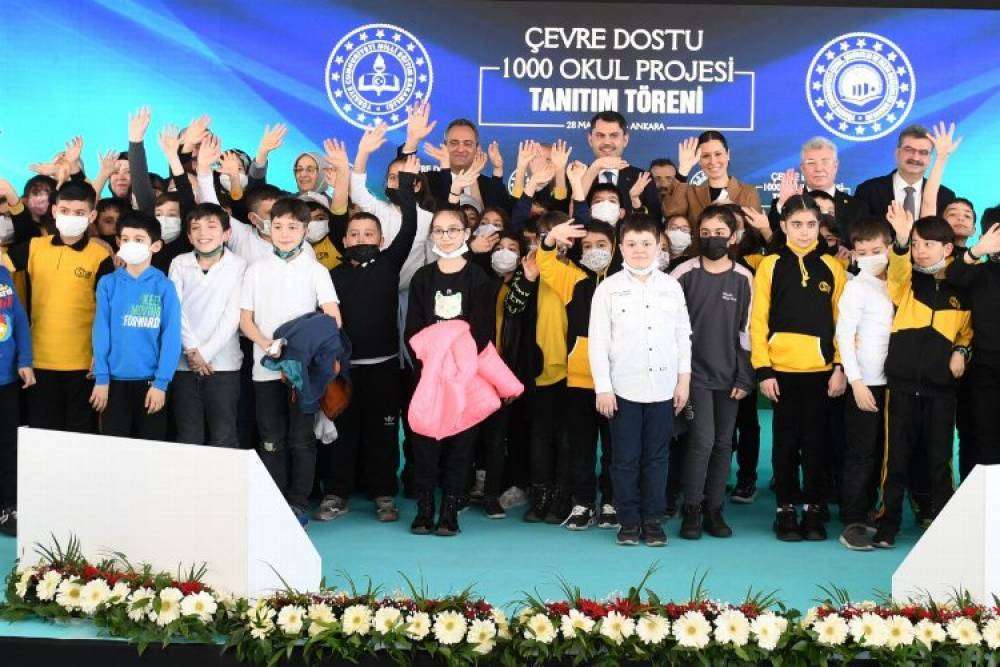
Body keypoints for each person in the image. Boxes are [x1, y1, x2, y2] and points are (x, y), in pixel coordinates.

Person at [314, 142, 420, 523]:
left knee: (384, 433)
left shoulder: (390, 264)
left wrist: (404, 185)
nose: (361, 239)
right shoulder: (331, 275)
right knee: (342, 431)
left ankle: (384, 493)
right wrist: (342, 174)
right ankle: (336, 492)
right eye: (354, 234)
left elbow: (410, 225)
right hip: (344, 369)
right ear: (343, 241)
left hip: (384, 369)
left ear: (382, 241)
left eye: (369, 234)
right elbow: (339, 216)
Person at [589, 214, 692, 547]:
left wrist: (683, 382)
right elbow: (598, 342)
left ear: (658, 246)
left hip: (663, 389)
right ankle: (629, 521)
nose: (639, 250)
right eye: (631, 244)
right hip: (623, 390)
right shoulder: (608, 289)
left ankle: (653, 520)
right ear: (621, 247)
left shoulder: (671, 287)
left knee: (657, 458)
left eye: (646, 243)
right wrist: (603, 388)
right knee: (624, 459)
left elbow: (683, 337)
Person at [239, 197, 341, 525]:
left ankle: (298, 503)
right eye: (278, 226)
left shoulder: (316, 271)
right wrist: (267, 345)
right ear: (268, 228)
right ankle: (275, 503)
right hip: (264, 368)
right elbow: (245, 321)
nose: (284, 233)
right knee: (271, 439)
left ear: (305, 230)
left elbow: (333, 319)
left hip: (303, 373)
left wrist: (306, 353)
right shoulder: (255, 270)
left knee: (301, 439)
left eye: (293, 227)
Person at [750, 195, 847, 542]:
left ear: (819, 226)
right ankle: (786, 509)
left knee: (817, 443)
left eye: (810, 225)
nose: (804, 232)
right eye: (796, 225)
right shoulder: (771, 264)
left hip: (821, 371)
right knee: (786, 444)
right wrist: (763, 368)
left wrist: (840, 366)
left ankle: (814, 508)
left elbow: (843, 323)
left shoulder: (833, 267)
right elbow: (758, 320)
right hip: (781, 371)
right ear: (783, 226)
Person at [874, 210, 971, 549]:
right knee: (895, 461)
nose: (921, 251)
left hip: (941, 390)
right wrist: (901, 242)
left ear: (947, 248)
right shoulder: (906, 280)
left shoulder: (962, 288)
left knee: (940, 461)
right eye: (916, 244)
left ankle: (945, 528)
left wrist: (961, 350)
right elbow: (898, 267)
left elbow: (968, 332)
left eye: (928, 244)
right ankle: (887, 524)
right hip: (901, 387)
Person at [404, 205, 495, 536]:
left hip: (464, 376)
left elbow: (482, 332)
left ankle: (450, 511)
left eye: (453, 230)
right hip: (429, 375)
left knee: (461, 444)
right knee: (425, 444)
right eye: (439, 231)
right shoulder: (423, 277)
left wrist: (456, 365)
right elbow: (413, 329)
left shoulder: (478, 278)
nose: (446, 237)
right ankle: (425, 508)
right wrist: (432, 363)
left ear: (466, 234)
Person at [670, 205, 753, 540]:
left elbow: (748, 331)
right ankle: (691, 508)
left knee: (722, 443)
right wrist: (680, 375)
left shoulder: (744, 277)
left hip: (729, 378)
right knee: (701, 441)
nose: (712, 238)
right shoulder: (683, 273)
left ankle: (714, 509)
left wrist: (745, 376)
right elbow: (669, 327)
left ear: (732, 237)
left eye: (719, 233)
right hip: (693, 377)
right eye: (705, 233)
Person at [537, 211, 619, 531]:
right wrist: (550, 240)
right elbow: (545, 264)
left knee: (614, 447)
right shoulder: (572, 280)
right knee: (581, 445)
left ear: (615, 247)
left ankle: (611, 502)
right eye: (587, 246)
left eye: (602, 244)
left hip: (617, 380)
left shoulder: (625, 282)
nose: (594, 250)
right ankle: (583, 502)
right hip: (580, 379)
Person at [8, 181, 111, 433]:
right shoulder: (34, 247)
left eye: (79, 212)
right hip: (39, 361)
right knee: (42, 434)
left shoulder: (100, 256)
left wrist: (102, 358)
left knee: (79, 437)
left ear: (92, 216)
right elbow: (4, 263)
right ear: (54, 211)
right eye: (64, 210)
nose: (71, 217)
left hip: (84, 364)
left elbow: (108, 312)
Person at [90, 211, 182, 439]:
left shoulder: (164, 286)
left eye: (139, 240)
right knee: (115, 448)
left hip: (151, 383)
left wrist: (161, 383)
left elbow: (171, 337)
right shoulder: (108, 283)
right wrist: (102, 378)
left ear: (155, 246)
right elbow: (101, 332)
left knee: (150, 448)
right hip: (113, 382)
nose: (131, 244)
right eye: (125, 239)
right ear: (118, 242)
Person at [835, 218, 894, 550]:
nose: (870, 257)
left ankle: (876, 511)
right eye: (862, 252)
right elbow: (844, 335)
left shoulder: (900, 282)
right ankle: (853, 520)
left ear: (889, 248)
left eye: (876, 250)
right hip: (866, 383)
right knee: (861, 452)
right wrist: (855, 382)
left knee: (887, 451)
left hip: (896, 382)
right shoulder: (856, 287)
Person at [168, 203, 246, 447]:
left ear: (227, 233)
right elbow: (174, 309)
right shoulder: (179, 263)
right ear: (189, 236)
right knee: (188, 435)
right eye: (196, 228)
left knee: (224, 435)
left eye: (211, 226)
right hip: (184, 364)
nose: (203, 233)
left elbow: (233, 315)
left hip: (224, 365)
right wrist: (193, 351)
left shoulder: (239, 265)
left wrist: (205, 353)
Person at [947, 216, 1000, 471]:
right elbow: (953, 275)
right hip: (982, 368)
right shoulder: (979, 271)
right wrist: (978, 251)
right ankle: (979, 491)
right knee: (981, 435)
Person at [398, 103, 513, 211]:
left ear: (477, 148)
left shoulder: (490, 186)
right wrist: (413, 140)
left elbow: (504, 217)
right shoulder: (428, 181)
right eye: (454, 143)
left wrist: (489, 173)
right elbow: (402, 180)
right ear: (445, 146)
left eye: (468, 143)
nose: (461, 149)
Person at [768, 137, 868, 245]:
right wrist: (786, 204)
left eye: (825, 162)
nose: (819, 168)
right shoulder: (784, 203)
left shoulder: (857, 207)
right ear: (802, 168)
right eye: (811, 163)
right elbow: (771, 241)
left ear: (835, 166)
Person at [854, 124, 957, 222]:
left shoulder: (946, 196)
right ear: (897, 153)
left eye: (923, 152)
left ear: (930, 159)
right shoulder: (868, 191)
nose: (915, 157)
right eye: (909, 150)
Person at [0, 262, 34, 537]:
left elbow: (20, 319)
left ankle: (8, 506)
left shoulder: (4, 275)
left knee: (8, 445)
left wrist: (25, 360)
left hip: (7, 378)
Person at [664, 131, 763, 223]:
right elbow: (670, 213)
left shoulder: (748, 193)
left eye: (718, 154)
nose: (713, 161)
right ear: (699, 160)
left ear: (728, 154)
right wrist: (683, 170)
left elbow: (755, 232)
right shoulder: (690, 193)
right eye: (705, 156)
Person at [582, 111, 662, 221]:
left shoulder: (642, 178)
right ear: (590, 140)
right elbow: (566, 214)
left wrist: (636, 202)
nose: (607, 142)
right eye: (600, 135)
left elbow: (655, 222)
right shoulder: (578, 176)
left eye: (614, 135)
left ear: (625, 140)